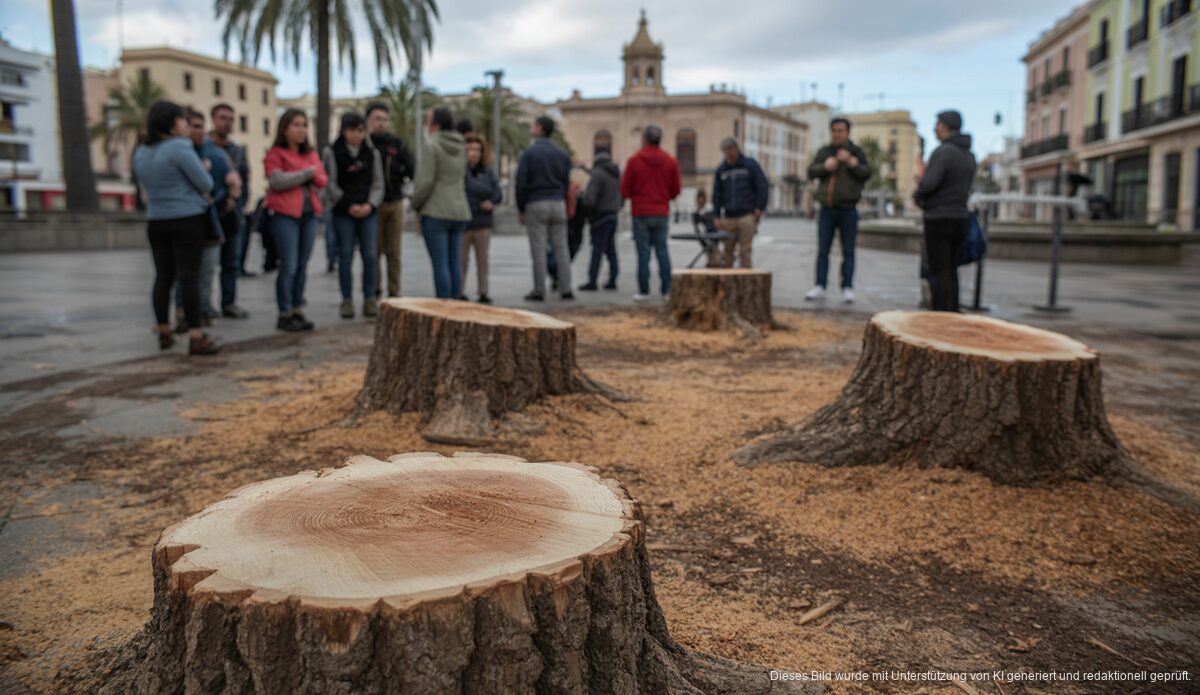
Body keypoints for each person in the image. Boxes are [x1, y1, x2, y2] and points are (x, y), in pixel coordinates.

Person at [132, 100, 220, 355]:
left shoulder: (142, 152)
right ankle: (196, 335)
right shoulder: (180, 148)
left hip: (156, 219)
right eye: (182, 119)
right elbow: (205, 184)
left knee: (163, 276)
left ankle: (163, 330)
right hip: (186, 218)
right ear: (171, 123)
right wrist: (204, 168)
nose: (186, 124)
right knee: (189, 277)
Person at [173, 110, 238, 333]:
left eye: (200, 126)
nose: (197, 131)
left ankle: (202, 310)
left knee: (208, 270)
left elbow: (232, 181)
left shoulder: (215, 154)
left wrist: (232, 196)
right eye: (192, 125)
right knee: (184, 271)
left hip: (211, 219)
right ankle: (183, 313)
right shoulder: (177, 152)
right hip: (183, 219)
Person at [264, 108, 327, 332]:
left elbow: (322, 179)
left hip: (309, 215)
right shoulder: (276, 153)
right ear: (285, 128)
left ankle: (298, 308)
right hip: (285, 215)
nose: (301, 130)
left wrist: (300, 173)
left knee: (302, 265)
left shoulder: (310, 153)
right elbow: (277, 181)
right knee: (288, 265)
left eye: (304, 125)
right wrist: (307, 173)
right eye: (296, 125)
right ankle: (285, 312)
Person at [914, 110, 976, 312]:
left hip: (938, 217)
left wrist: (919, 194)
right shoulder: (968, 154)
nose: (935, 129)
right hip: (960, 216)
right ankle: (952, 310)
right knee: (951, 268)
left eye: (938, 125)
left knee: (938, 269)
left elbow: (929, 184)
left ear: (946, 127)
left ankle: (940, 313)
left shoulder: (943, 152)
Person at [323, 112, 384, 319]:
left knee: (370, 255)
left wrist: (370, 204)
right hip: (343, 211)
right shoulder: (332, 152)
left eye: (361, 130)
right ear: (343, 131)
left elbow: (378, 183)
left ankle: (369, 298)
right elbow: (329, 184)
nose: (357, 135)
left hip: (367, 210)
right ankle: (346, 300)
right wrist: (348, 205)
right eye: (352, 130)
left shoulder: (371, 153)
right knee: (345, 255)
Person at [805, 117, 870, 304]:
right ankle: (820, 285)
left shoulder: (856, 152)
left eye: (840, 130)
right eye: (834, 130)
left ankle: (847, 287)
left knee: (848, 251)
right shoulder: (825, 152)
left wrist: (853, 163)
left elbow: (866, 173)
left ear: (847, 132)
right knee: (823, 250)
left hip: (848, 209)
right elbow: (811, 172)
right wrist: (825, 167)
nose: (837, 134)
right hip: (827, 208)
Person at [411, 107, 471, 299]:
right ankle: (455, 304)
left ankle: (444, 305)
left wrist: (415, 204)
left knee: (440, 264)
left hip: (436, 210)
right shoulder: (461, 145)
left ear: (435, 123)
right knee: (454, 262)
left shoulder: (432, 145)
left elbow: (425, 182)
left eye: (428, 120)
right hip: (460, 209)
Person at [619, 124, 681, 302]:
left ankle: (644, 290)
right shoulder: (670, 161)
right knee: (662, 250)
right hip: (661, 210)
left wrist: (636, 197)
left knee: (643, 253)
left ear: (644, 139)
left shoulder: (634, 161)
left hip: (640, 211)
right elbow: (676, 189)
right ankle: (667, 289)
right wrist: (664, 197)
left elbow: (625, 189)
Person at [515, 116, 573, 301]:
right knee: (561, 248)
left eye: (533, 125)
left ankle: (539, 289)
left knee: (538, 249)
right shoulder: (561, 153)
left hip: (536, 202)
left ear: (539, 128)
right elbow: (566, 181)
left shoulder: (529, 153)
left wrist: (521, 207)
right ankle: (566, 288)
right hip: (558, 203)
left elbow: (521, 182)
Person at [365, 102, 414, 299]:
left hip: (394, 202)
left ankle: (394, 290)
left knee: (394, 251)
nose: (381, 123)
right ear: (369, 120)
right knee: (373, 251)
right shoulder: (365, 145)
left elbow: (411, 167)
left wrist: (400, 176)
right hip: (372, 205)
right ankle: (374, 289)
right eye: (377, 119)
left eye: (385, 119)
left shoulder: (396, 144)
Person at [209, 104, 254, 317]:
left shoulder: (237, 151)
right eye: (223, 118)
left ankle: (228, 302)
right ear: (213, 119)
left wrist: (239, 203)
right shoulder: (204, 148)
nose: (227, 123)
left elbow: (245, 179)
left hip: (232, 214)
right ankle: (204, 305)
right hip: (209, 213)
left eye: (231, 119)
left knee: (231, 261)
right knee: (207, 263)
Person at [711, 137, 768, 268]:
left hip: (746, 215)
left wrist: (759, 207)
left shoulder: (750, 165)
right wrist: (716, 215)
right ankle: (728, 278)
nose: (728, 153)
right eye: (725, 151)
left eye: (730, 149)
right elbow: (716, 194)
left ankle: (745, 278)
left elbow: (762, 186)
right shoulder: (722, 170)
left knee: (745, 251)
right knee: (727, 252)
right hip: (728, 217)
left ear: (736, 149)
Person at [461, 134, 502, 303]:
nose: (473, 153)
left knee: (483, 260)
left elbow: (497, 193)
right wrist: (483, 192)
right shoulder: (460, 171)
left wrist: (491, 201)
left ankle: (483, 291)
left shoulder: (488, 171)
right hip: (464, 223)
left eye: (477, 149)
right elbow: (469, 189)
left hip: (483, 223)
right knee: (461, 260)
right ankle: (459, 290)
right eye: (470, 149)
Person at [579, 149, 621, 291]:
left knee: (597, 251)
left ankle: (592, 281)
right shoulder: (615, 174)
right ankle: (613, 279)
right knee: (611, 250)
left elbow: (590, 199)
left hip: (600, 217)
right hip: (612, 215)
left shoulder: (597, 174)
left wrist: (583, 204)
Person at [692, 189, 721, 268]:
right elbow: (697, 227)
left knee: (714, 253)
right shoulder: (696, 212)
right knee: (711, 254)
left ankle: (714, 266)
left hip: (712, 237)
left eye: (702, 198)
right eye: (699, 198)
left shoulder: (709, 210)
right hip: (704, 237)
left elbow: (712, 226)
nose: (701, 200)